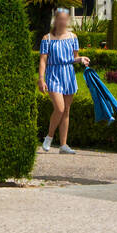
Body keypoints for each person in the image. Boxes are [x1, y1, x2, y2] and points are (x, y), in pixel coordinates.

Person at [39, 8, 90, 154]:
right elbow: (43, 60)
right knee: (59, 108)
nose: (62, 21)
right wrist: (41, 79)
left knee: (66, 110)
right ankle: (49, 137)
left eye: (65, 19)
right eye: (60, 18)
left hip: (68, 74)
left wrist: (81, 59)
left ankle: (63, 145)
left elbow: (75, 57)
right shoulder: (47, 38)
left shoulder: (73, 37)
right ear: (55, 20)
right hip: (53, 74)